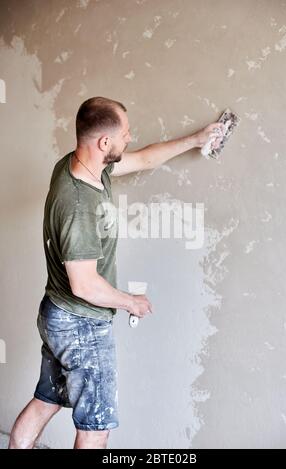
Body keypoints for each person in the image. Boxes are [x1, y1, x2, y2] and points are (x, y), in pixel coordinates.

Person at [9, 97, 224, 449]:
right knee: (96, 429)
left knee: (46, 400)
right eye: (125, 133)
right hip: (81, 325)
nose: (130, 138)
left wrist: (196, 139)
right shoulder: (79, 204)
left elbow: (144, 158)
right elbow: (83, 284)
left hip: (57, 315)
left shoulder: (82, 164)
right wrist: (130, 302)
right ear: (103, 143)